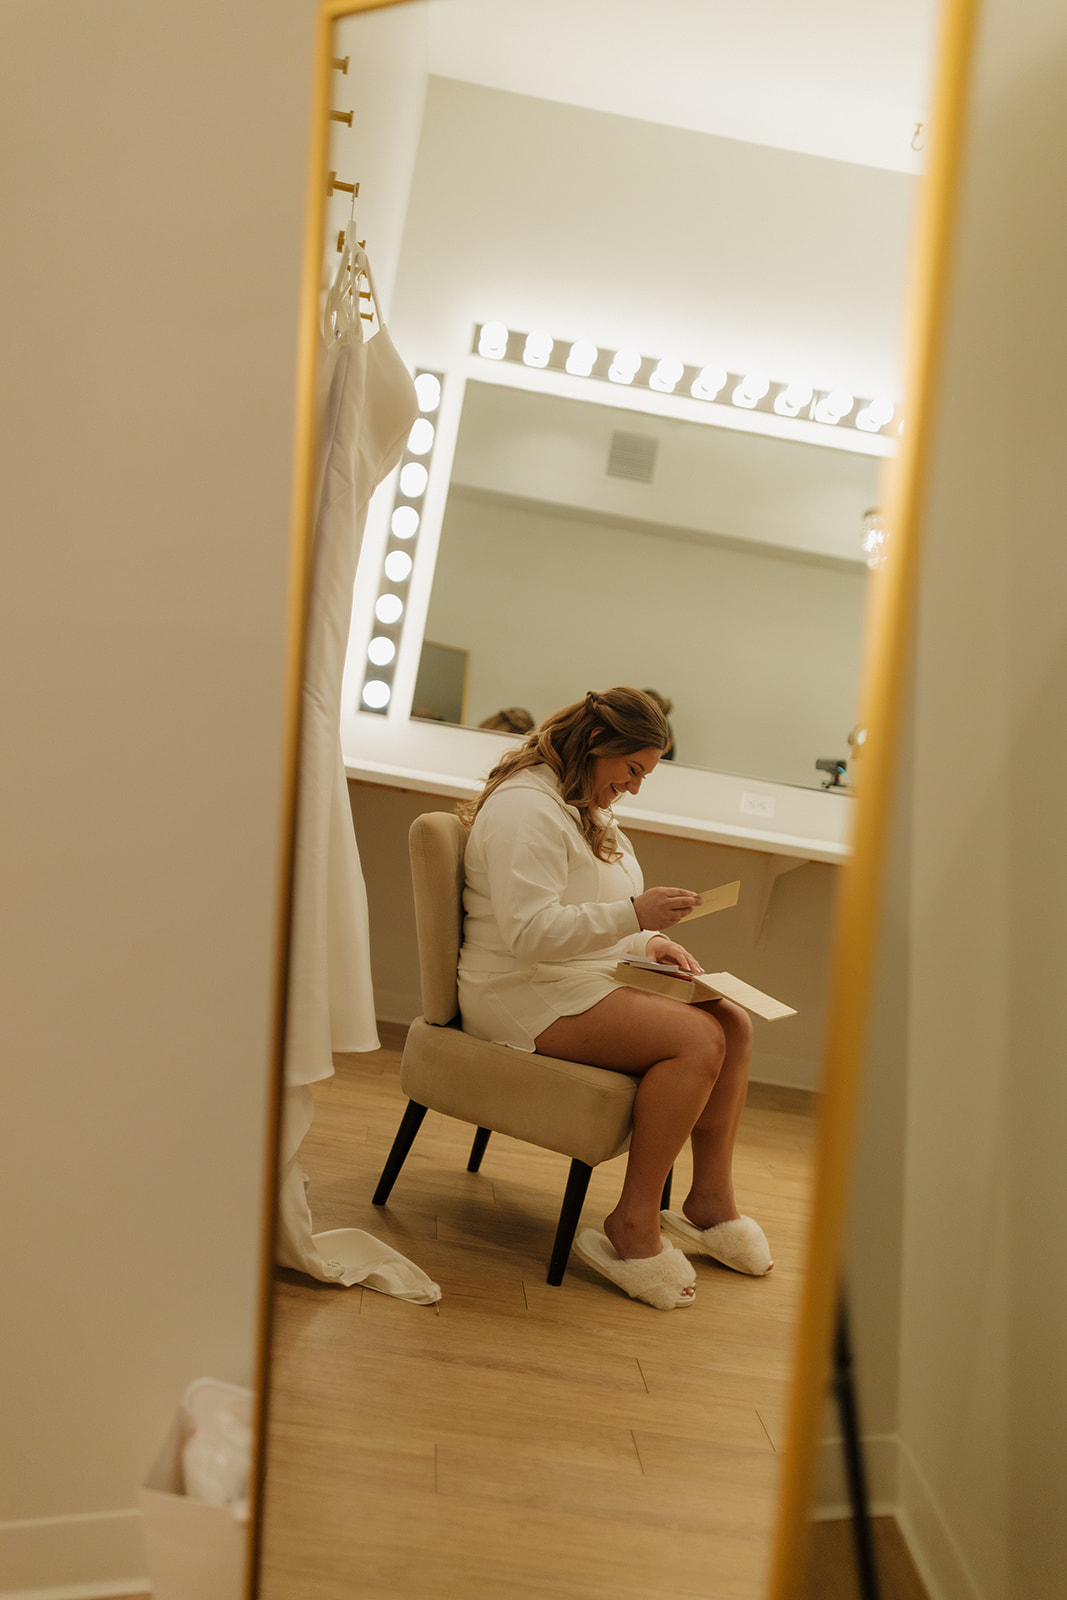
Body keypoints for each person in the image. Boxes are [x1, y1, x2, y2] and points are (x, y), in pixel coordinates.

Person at [456, 686, 771, 1311]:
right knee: (696, 1038)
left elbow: (596, 903)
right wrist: (633, 914)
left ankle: (711, 1202)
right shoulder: (528, 808)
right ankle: (633, 1223)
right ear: (598, 743)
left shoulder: (584, 804)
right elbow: (527, 937)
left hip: (576, 975)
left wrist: (650, 939)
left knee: (731, 1021)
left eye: (645, 775)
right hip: (519, 989)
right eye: (633, 770)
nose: (633, 788)